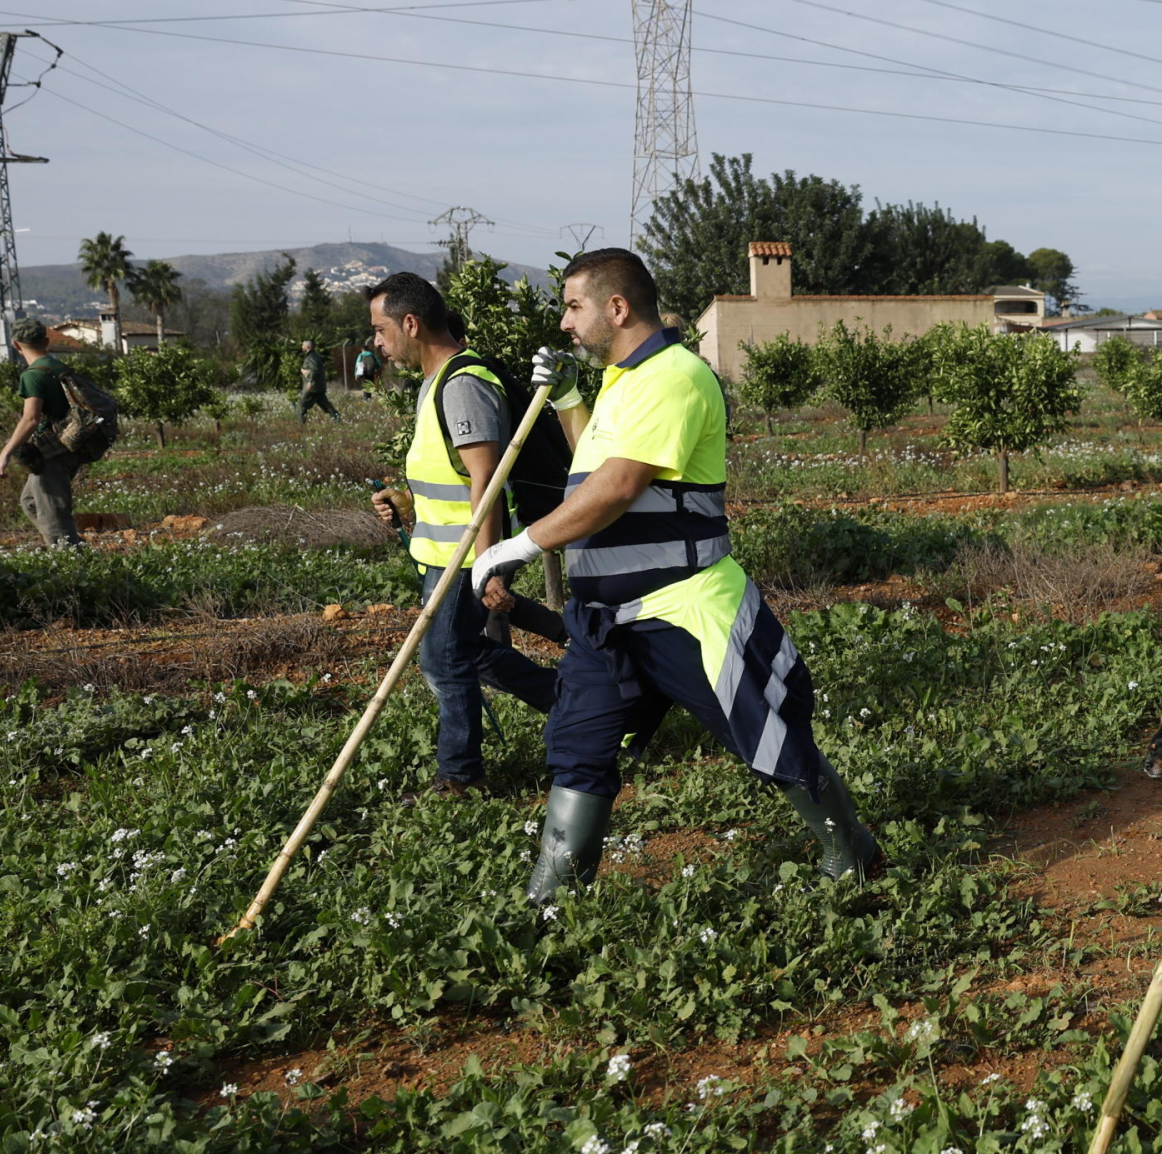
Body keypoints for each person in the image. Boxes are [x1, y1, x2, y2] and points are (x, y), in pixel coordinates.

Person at [466, 247, 880, 893]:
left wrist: (518, 546)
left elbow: (620, 485)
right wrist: (572, 396)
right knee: (579, 749)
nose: (564, 324)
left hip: (682, 608)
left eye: (574, 306)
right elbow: (593, 468)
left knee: (765, 736)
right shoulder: (623, 380)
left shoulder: (674, 376)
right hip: (607, 624)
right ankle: (551, 904)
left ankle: (850, 855)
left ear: (618, 306)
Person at [365, 272, 558, 795]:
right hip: (444, 551)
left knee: (444, 659)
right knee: (458, 653)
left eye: (381, 331)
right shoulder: (436, 381)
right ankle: (577, 703)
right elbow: (453, 476)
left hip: (466, 556)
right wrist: (406, 502)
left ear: (411, 323)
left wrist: (488, 564)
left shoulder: (463, 384)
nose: (377, 345)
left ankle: (460, 775)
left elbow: (487, 481)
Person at [0, 318, 85, 549]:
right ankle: (69, 550)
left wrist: (5, 454)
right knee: (30, 501)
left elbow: (31, 418)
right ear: (47, 341)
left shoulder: (33, 375)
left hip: (53, 451)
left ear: (16, 345)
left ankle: (72, 563)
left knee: (52, 512)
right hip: (68, 445)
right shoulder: (59, 367)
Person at [297, 338, 341, 421]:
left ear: (308, 347)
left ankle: (300, 424)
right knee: (325, 405)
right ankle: (336, 418)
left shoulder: (311, 357)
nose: (301, 346)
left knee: (302, 404)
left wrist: (310, 381)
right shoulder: (314, 356)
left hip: (313, 387)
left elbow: (315, 370)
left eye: (303, 345)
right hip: (318, 386)